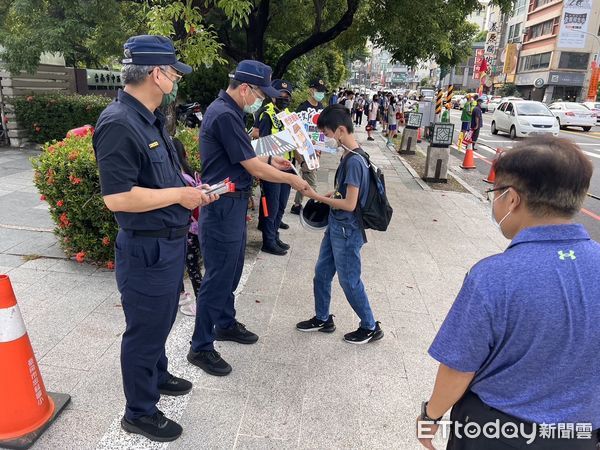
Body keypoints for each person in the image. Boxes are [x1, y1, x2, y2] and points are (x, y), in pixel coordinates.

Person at [417, 136, 600, 450]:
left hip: (496, 433)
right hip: (579, 435)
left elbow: (459, 367)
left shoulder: (493, 276)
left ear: (512, 199)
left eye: (495, 193)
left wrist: (431, 417)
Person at [93, 35, 218, 442]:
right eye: (174, 72)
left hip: (168, 243)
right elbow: (117, 197)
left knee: (162, 319)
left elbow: (159, 178)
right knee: (144, 330)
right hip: (146, 248)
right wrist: (179, 196)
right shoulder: (118, 123)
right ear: (155, 73)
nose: (176, 79)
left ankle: (158, 375)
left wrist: (190, 191)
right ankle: (140, 412)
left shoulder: (148, 116)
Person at [188, 60, 309, 377]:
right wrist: (292, 180)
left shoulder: (229, 112)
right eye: (260, 93)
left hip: (233, 203)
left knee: (232, 269)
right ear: (245, 88)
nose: (264, 100)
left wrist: (271, 158)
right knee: (218, 278)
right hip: (223, 204)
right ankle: (200, 346)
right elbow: (253, 168)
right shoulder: (225, 114)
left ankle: (225, 323)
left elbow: (246, 155)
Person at [296, 105, 384, 344]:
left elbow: (349, 203)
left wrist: (316, 197)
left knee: (349, 280)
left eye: (327, 133)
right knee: (321, 274)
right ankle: (323, 318)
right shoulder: (350, 155)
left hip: (347, 230)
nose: (326, 139)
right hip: (337, 227)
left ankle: (370, 326)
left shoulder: (354, 161)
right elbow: (342, 193)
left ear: (342, 130)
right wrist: (329, 194)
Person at [257, 79, 295, 256]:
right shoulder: (267, 114)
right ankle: (268, 241)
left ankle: (275, 235)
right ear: (273, 96)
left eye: (287, 95)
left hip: (287, 166)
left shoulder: (289, 115)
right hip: (272, 167)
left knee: (280, 205)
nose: (284, 98)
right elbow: (262, 145)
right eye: (281, 94)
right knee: (271, 207)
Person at [290, 78, 326, 215]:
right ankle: (315, 207)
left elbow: (321, 132)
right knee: (312, 182)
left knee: (306, 177)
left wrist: (320, 150)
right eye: (318, 90)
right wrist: (299, 158)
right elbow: (295, 133)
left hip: (316, 150)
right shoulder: (302, 108)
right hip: (304, 150)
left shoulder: (321, 108)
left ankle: (297, 205)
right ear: (311, 90)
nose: (321, 94)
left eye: (322, 91)